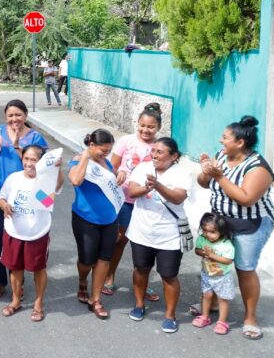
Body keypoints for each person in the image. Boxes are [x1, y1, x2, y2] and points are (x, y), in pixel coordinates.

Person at [197, 116, 274, 340]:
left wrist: (219, 176)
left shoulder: (258, 167)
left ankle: (250, 317)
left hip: (250, 224)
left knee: (244, 268)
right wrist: (206, 170)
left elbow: (246, 198)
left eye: (225, 138)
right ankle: (212, 304)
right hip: (221, 224)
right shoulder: (223, 155)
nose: (220, 141)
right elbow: (204, 182)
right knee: (213, 262)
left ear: (240, 142)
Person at [125, 137, 192, 333]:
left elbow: (178, 198)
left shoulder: (183, 173)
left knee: (169, 275)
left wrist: (158, 186)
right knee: (141, 269)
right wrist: (147, 187)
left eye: (160, 152)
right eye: (153, 150)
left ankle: (170, 315)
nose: (154, 155)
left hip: (169, 235)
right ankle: (139, 305)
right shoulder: (143, 167)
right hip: (141, 231)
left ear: (174, 156)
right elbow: (132, 191)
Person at [0, 99, 48, 299]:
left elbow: (45, 166)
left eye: (18, 115)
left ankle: (16, 283)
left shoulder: (36, 137)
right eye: (10, 115)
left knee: (17, 238)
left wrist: (17, 147)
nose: (14, 119)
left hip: (25, 195)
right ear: (6, 117)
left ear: (25, 115)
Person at [103, 103, 163, 302]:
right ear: (137, 124)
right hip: (125, 200)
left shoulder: (160, 146)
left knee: (146, 243)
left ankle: (141, 283)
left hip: (148, 202)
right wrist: (118, 171)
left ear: (158, 128)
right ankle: (109, 275)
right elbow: (111, 166)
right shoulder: (126, 141)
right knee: (120, 239)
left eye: (151, 127)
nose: (146, 130)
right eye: (142, 125)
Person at [0, 145, 63, 320]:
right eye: (26, 158)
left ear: (41, 162)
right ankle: (15, 300)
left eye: (33, 160)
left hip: (37, 233)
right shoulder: (14, 178)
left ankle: (38, 303)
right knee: (15, 268)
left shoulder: (45, 180)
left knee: (39, 269)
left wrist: (57, 168)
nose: (29, 163)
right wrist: (5, 205)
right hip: (13, 231)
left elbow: (57, 186)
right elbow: (0, 197)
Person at [68, 129, 119, 320]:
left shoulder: (106, 163)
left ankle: (95, 299)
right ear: (91, 145)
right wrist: (85, 157)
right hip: (85, 219)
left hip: (109, 219)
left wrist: (119, 176)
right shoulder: (78, 159)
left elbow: (112, 186)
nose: (106, 154)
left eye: (109, 150)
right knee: (87, 260)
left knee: (104, 259)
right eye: (102, 150)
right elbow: (75, 180)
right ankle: (82, 281)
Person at [193, 213, 235, 335]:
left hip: (222, 277)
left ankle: (222, 322)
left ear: (221, 231)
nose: (207, 234)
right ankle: (204, 317)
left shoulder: (226, 245)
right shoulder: (202, 239)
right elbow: (197, 250)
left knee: (223, 299)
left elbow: (228, 260)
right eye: (205, 230)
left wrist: (212, 255)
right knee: (206, 295)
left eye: (212, 232)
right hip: (207, 274)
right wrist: (203, 253)